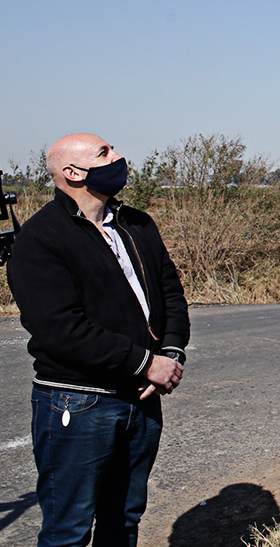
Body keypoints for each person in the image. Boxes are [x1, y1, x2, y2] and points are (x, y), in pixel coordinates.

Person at [7, 133, 189, 547]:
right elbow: (61, 329)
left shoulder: (136, 223)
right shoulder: (40, 238)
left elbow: (171, 293)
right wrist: (146, 363)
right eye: (104, 152)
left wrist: (171, 352)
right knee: (68, 530)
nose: (118, 157)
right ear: (72, 173)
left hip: (140, 400)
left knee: (123, 519)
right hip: (78, 402)